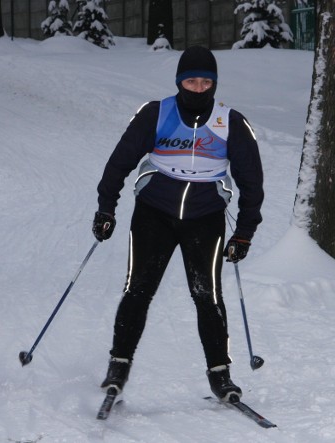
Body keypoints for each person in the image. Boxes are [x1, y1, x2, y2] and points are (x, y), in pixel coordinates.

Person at [92, 46, 263, 402]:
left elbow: (252, 183)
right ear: (179, 81)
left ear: (214, 84)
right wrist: (106, 208)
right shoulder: (156, 114)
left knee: (207, 295)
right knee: (138, 290)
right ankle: (117, 367)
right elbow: (119, 161)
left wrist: (244, 233)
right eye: (191, 81)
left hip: (205, 218)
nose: (198, 88)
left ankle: (220, 375)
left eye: (205, 82)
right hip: (154, 214)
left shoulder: (230, 121)